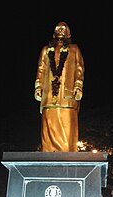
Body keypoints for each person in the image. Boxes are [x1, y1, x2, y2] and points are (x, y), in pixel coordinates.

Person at [34, 21, 85, 152]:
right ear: (54, 33)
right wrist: (38, 87)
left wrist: (78, 86)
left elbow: (80, 69)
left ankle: (68, 153)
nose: (61, 31)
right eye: (58, 29)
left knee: (67, 121)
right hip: (49, 93)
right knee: (49, 120)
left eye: (63, 29)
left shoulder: (74, 49)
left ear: (68, 33)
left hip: (67, 93)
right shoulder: (46, 50)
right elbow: (41, 68)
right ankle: (48, 152)